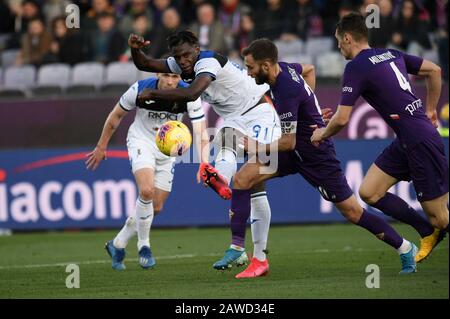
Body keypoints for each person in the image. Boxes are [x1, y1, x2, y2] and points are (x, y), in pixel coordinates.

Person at [230, 38, 420, 278]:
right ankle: (247, 254)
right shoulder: (285, 68)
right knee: (243, 178)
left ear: (266, 65)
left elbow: (288, 141)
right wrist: (312, 110)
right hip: (292, 151)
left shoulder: (286, 88)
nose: (248, 73)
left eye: (250, 67)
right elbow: (309, 69)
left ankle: (406, 247)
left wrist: (256, 146)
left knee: (352, 212)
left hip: (315, 154)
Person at [127, 30, 282, 270]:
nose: (183, 61)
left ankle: (255, 254)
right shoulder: (180, 63)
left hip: (259, 112)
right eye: (178, 57)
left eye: (187, 55)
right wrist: (135, 49)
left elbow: (192, 93)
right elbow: (145, 63)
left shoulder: (208, 61)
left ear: (197, 50)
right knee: (227, 148)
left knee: (254, 184)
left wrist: (154, 92)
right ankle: (221, 181)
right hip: (234, 119)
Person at [311, 13, 448, 264]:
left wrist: (321, 132)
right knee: (369, 192)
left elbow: (342, 119)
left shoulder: (356, 67)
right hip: (408, 139)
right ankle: (428, 233)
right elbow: (434, 70)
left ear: (348, 38)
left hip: (420, 141)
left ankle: (434, 229)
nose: (339, 47)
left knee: (440, 218)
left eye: (339, 41)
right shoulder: (391, 54)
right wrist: (430, 110)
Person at [86, 71, 209, 270]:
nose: (170, 81)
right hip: (141, 141)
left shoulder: (189, 94)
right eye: (167, 75)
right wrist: (101, 146)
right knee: (146, 191)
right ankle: (144, 246)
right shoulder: (141, 89)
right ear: (159, 73)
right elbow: (116, 115)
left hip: (168, 150)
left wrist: (204, 162)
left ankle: (117, 244)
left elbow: (201, 130)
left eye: (175, 77)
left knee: (156, 207)